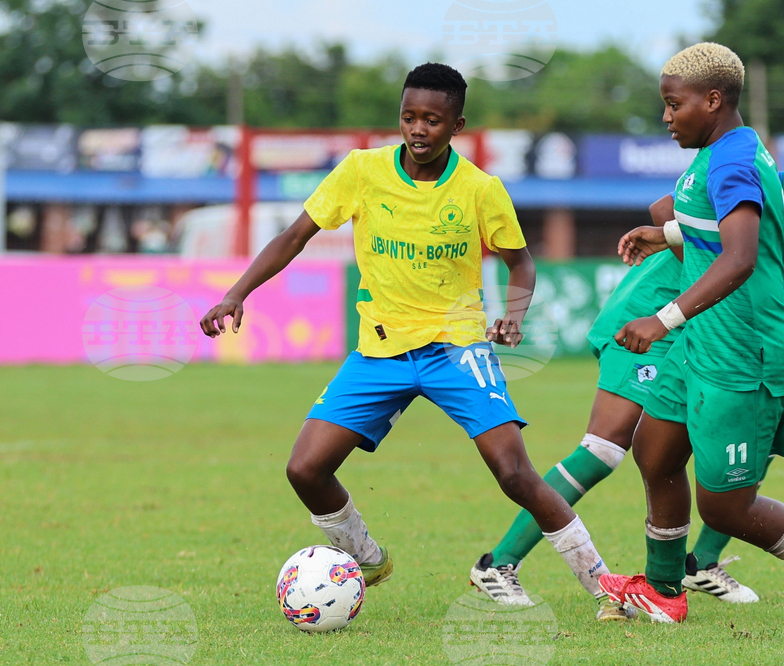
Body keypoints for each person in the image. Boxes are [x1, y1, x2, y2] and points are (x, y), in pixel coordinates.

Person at [199, 63, 617, 619]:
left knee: (515, 473)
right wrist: (237, 293)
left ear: (456, 124)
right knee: (304, 470)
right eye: (409, 117)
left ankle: (607, 588)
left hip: (457, 349)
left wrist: (513, 315)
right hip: (380, 350)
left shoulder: (479, 189)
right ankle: (366, 557)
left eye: (432, 120)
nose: (418, 129)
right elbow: (295, 235)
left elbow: (521, 263)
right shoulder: (362, 171)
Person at [471, 119, 784, 618]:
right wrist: (671, 234)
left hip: (698, 338)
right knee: (607, 448)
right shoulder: (754, 181)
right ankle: (499, 564)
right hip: (653, 320)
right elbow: (670, 209)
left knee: (716, 459)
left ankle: (695, 568)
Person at [597, 43, 784, 627]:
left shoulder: (730, 161)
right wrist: (669, 233)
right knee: (654, 453)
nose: (667, 117)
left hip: (745, 358)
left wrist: (662, 319)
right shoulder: (732, 149)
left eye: (673, 105)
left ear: (713, 100)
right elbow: (725, 224)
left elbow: (742, 257)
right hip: (707, 342)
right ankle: (663, 589)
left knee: (725, 509)